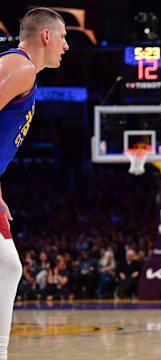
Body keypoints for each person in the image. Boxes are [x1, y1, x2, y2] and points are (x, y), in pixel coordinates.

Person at [0, 7, 68, 359]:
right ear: (46, 36)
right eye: (63, 37)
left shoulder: (23, 72)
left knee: (8, 266)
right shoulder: (19, 67)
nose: (67, 46)